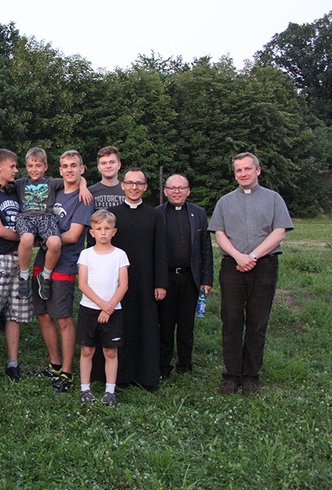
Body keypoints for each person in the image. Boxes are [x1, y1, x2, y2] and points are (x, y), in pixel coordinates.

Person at [209, 152, 293, 395]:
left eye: (247, 169)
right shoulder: (225, 202)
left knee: (257, 322)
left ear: (258, 171)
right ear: (234, 174)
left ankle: (250, 375)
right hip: (232, 267)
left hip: (264, 265)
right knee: (232, 320)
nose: (243, 174)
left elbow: (279, 232)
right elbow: (219, 234)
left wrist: (253, 256)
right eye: (238, 170)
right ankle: (231, 374)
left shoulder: (274, 199)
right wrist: (238, 256)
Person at [0, 147, 90, 301]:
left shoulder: (51, 183)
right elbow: (1, 182)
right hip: (26, 219)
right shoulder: (20, 183)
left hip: (46, 218)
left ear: (45, 167)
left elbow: (76, 177)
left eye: (38, 166)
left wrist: (83, 186)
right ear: (26, 167)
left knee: (55, 242)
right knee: (27, 239)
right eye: (30, 166)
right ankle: (24, 276)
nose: (34, 169)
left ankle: (46, 276)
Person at [30, 150, 93, 393]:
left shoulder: (84, 199)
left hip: (65, 262)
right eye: (65, 166)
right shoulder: (54, 190)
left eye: (73, 166)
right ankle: (54, 365)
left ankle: (67, 372)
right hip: (42, 259)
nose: (69, 169)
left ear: (82, 169)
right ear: (60, 169)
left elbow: (74, 235)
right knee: (43, 314)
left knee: (63, 318)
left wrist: (45, 240)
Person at [109, 167, 168, 391]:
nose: (134, 187)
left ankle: (146, 377)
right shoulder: (112, 214)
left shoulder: (155, 215)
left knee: (146, 326)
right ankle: (120, 376)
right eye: (130, 183)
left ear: (145, 187)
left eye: (139, 183)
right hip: (117, 281)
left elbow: (160, 250)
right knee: (120, 326)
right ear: (122, 186)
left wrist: (160, 282)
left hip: (146, 282)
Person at [0, 149, 32, 386]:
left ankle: (13, 362)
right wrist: (26, 237)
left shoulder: (15, 190)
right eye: (12, 166)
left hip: (18, 259)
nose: (16, 170)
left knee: (14, 314)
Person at [156, 174, 213, 378]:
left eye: (181, 188)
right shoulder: (157, 214)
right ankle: (163, 366)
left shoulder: (198, 214)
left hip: (191, 278)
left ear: (188, 191)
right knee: (165, 325)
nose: (177, 191)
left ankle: (185, 365)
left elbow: (206, 249)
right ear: (165, 191)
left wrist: (207, 279)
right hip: (166, 279)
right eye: (172, 188)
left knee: (186, 325)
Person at [77, 209, 129, 407]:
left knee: (110, 352)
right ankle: (85, 389)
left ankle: (109, 391)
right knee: (87, 350)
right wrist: (102, 306)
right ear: (92, 232)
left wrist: (109, 309)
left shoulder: (120, 255)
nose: (103, 232)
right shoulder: (86, 254)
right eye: (98, 229)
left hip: (114, 310)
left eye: (107, 228)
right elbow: (82, 284)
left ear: (114, 232)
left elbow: (123, 284)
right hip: (89, 309)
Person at [89, 146, 126, 210]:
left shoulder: (128, 191)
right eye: (104, 163)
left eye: (112, 162)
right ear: (98, 167)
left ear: (119, 165)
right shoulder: (90, 193)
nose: (108, 166)